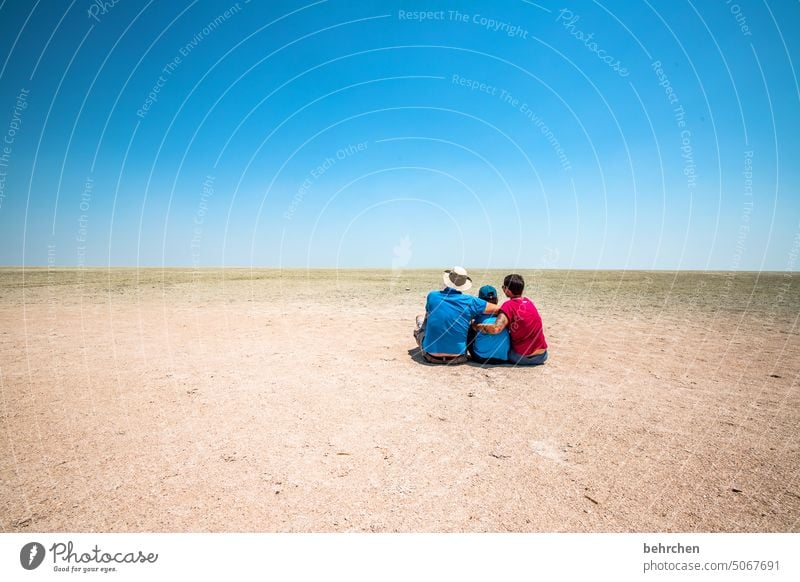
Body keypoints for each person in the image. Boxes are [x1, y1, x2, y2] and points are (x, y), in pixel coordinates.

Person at [414, 266, 502, 364]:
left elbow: (429, 315)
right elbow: (499, 309)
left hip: (431, 356)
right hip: (458, 357)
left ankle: (421, 335)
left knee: (421, 322)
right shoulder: (470, 301)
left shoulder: (432, 296)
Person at [472, 273, 548, 365]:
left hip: (522, 357)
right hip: (542, 355)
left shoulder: (508, 306)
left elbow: (496, 329)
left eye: (503, 287)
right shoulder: (529, 302)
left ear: (507, 290)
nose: (503, 289)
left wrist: (475, 326)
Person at [467, 285, 511, 365]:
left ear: (480, 301)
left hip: (481, 358)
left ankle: (463, 353)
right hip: (503, 358)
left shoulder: (478, 315)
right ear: (497, 299)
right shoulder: (503, 315)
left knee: (469, 327)